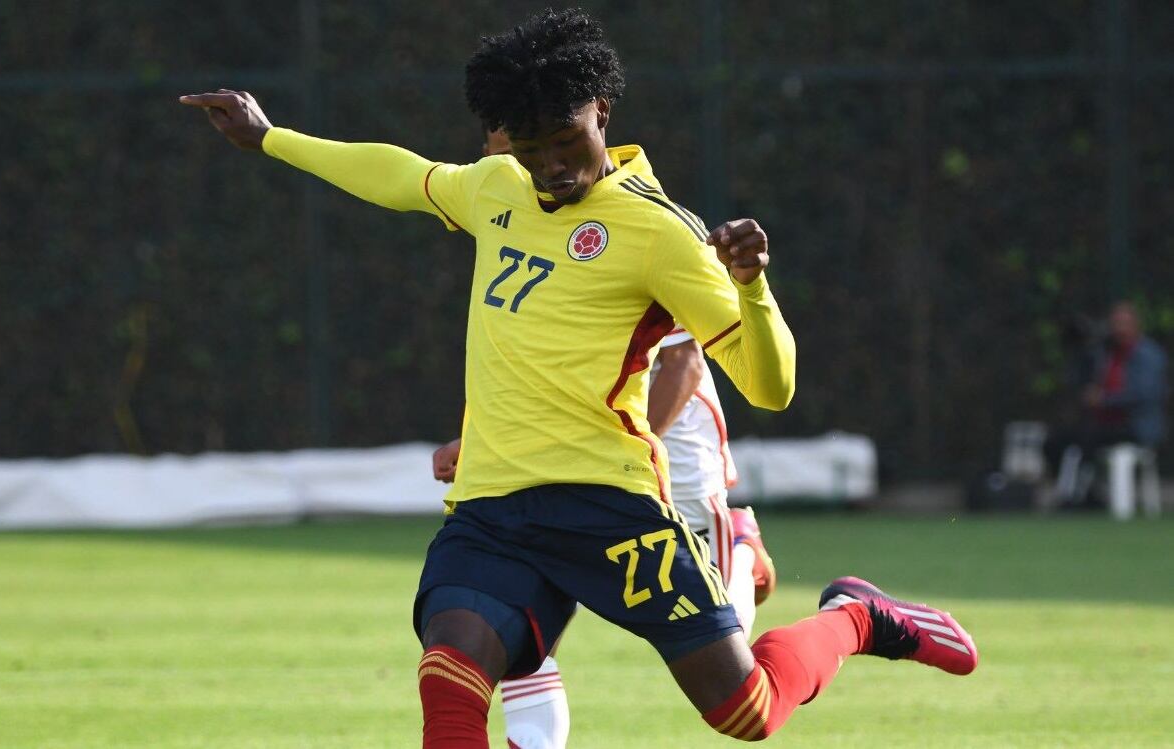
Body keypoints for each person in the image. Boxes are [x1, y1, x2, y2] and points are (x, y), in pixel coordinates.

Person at [181, 9, 977, 746]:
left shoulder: (660, 232)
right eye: (531, 151)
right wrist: (270, 138)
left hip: (608, 507)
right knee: (449, 681)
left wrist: (751, 286)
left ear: (602, 110)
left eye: (566, 142)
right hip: (492, 509)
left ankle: (858, 618)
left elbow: (771, 388)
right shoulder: (497, 187)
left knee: (747, 712)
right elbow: (401, 175)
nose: (551, 167)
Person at [433, 126, 778, 742]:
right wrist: (484, 442)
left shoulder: (638, 225)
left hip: (671, 471)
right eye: (496, 145)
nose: (498, 159)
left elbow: (684, 362)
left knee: (737, 694)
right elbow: (527, 363)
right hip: (556, 482)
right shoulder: (510, 211)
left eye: (510, 144)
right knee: (515, 643)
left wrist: (612, 449)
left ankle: (746, 553)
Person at [1048, 301, 1168, 505]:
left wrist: (1105, 399)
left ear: (1136, 325)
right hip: (1103, 424)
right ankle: (1082, 493)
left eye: (1124, 324)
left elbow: (1145, 394)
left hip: (1136, 426)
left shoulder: (1150, 355)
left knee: (1089, 438)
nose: (1119, 329)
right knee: (1055, 441)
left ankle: (1077, 497)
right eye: (1115, 324)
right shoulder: (1105, 353)